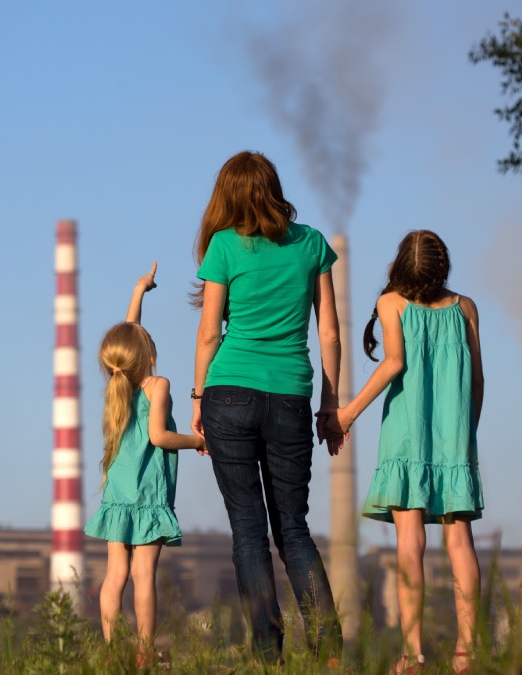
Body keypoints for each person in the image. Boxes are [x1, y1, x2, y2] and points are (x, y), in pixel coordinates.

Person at [191, 150, 344, 663]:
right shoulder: (311, 244)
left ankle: (267, 656)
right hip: (291, 397)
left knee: (249, 532)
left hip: (228, 392)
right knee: (293, 528)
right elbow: (328, 331)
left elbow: (210, 331)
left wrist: (197, 399)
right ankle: (328, 652)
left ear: (227, 195)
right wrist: (331, 403)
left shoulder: (223, 247)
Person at [336, 229, 484, 674]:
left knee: (408, 545)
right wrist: (466, 435)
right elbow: (477, 380)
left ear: (400, 265)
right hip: (455, 440)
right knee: (460, 542)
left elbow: (394, 362)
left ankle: (413, 653)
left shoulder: (391, 303)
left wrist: (347, 414)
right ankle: (467, 652)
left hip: (405, 437)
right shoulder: (465, 307)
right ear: (443, 267)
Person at [84, 262, 205, 664]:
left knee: (114, 574)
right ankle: (143, 653)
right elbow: (159, 437)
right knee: (143, 577)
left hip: (119, 493)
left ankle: (109, 650)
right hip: (149, 493)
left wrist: (139, 290)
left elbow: (127, 335)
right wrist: (198, 441)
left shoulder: (118, 387)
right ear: (150, 355)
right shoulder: (158, 385)